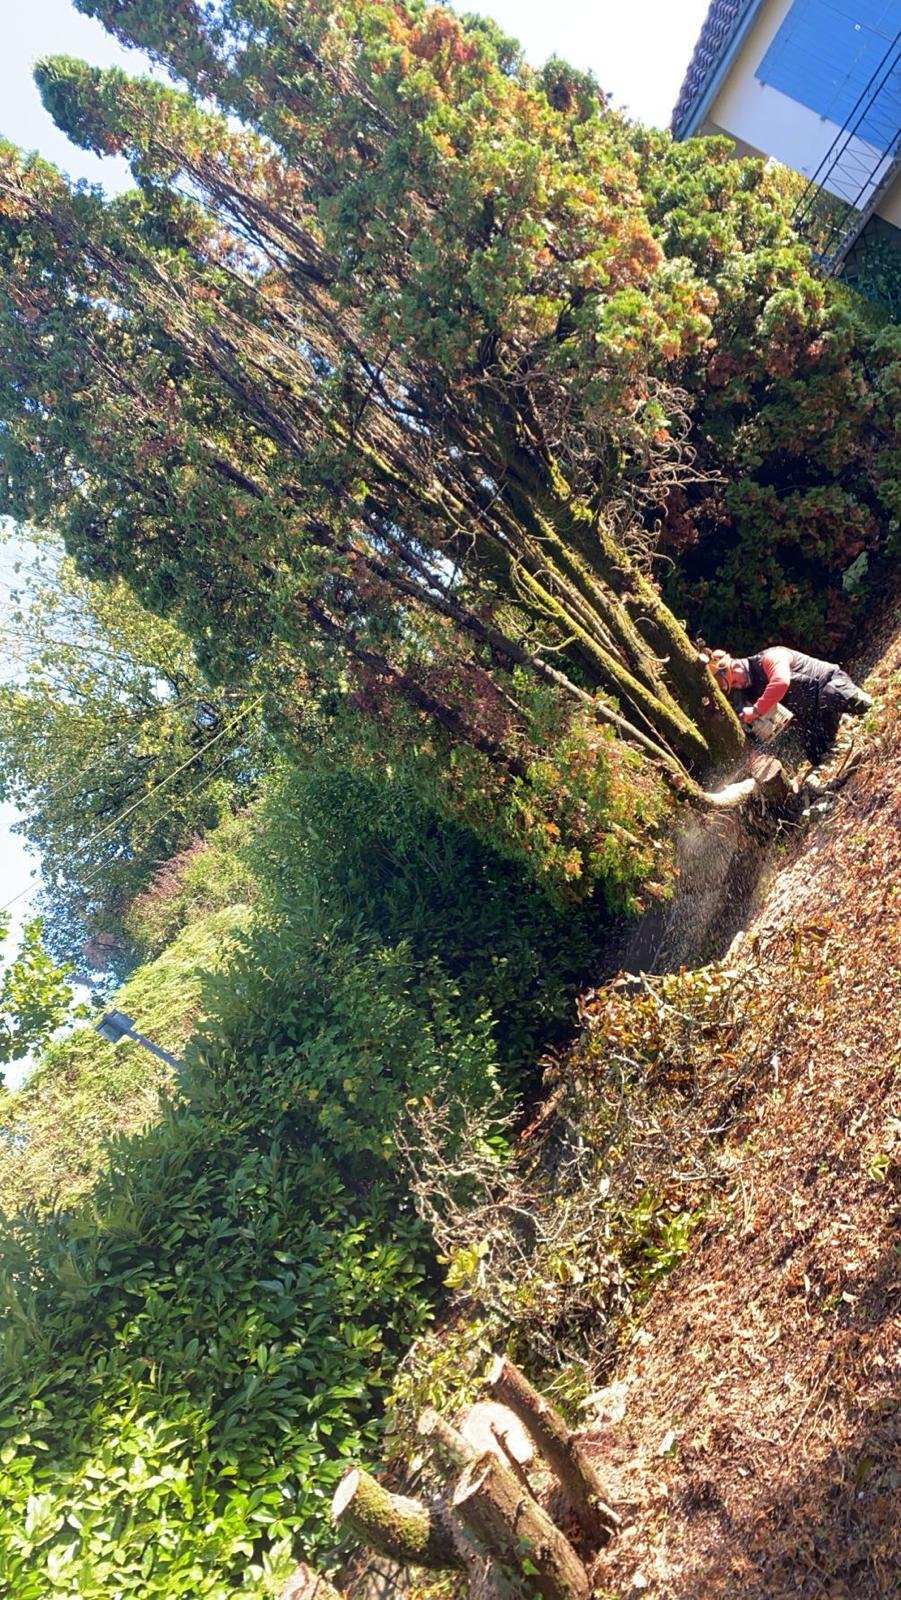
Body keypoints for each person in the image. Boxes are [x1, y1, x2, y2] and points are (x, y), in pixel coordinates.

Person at [709, 646, 873, 764]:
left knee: (834, 696)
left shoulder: (770, 657)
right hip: (812, 713)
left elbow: (780, 682)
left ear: (735, 665)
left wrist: (757, 709)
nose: (738, 685)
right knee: (817, 755)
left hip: (830, 683)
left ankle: (867, 707)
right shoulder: (750, 690)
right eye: (734, 686)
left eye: (735, 680)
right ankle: (840, 721)